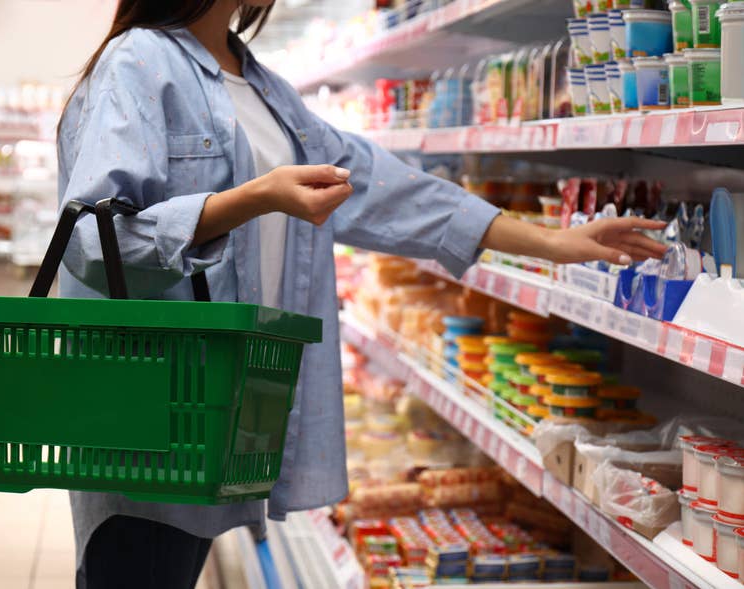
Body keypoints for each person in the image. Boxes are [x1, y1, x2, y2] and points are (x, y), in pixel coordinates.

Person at [57, 1, 667, 587]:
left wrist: (553, 241)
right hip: (146, 416)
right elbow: (91, 239)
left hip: (216, 416)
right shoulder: (137, 63)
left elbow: (389, 191)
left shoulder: (265, 90)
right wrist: (256, 196)